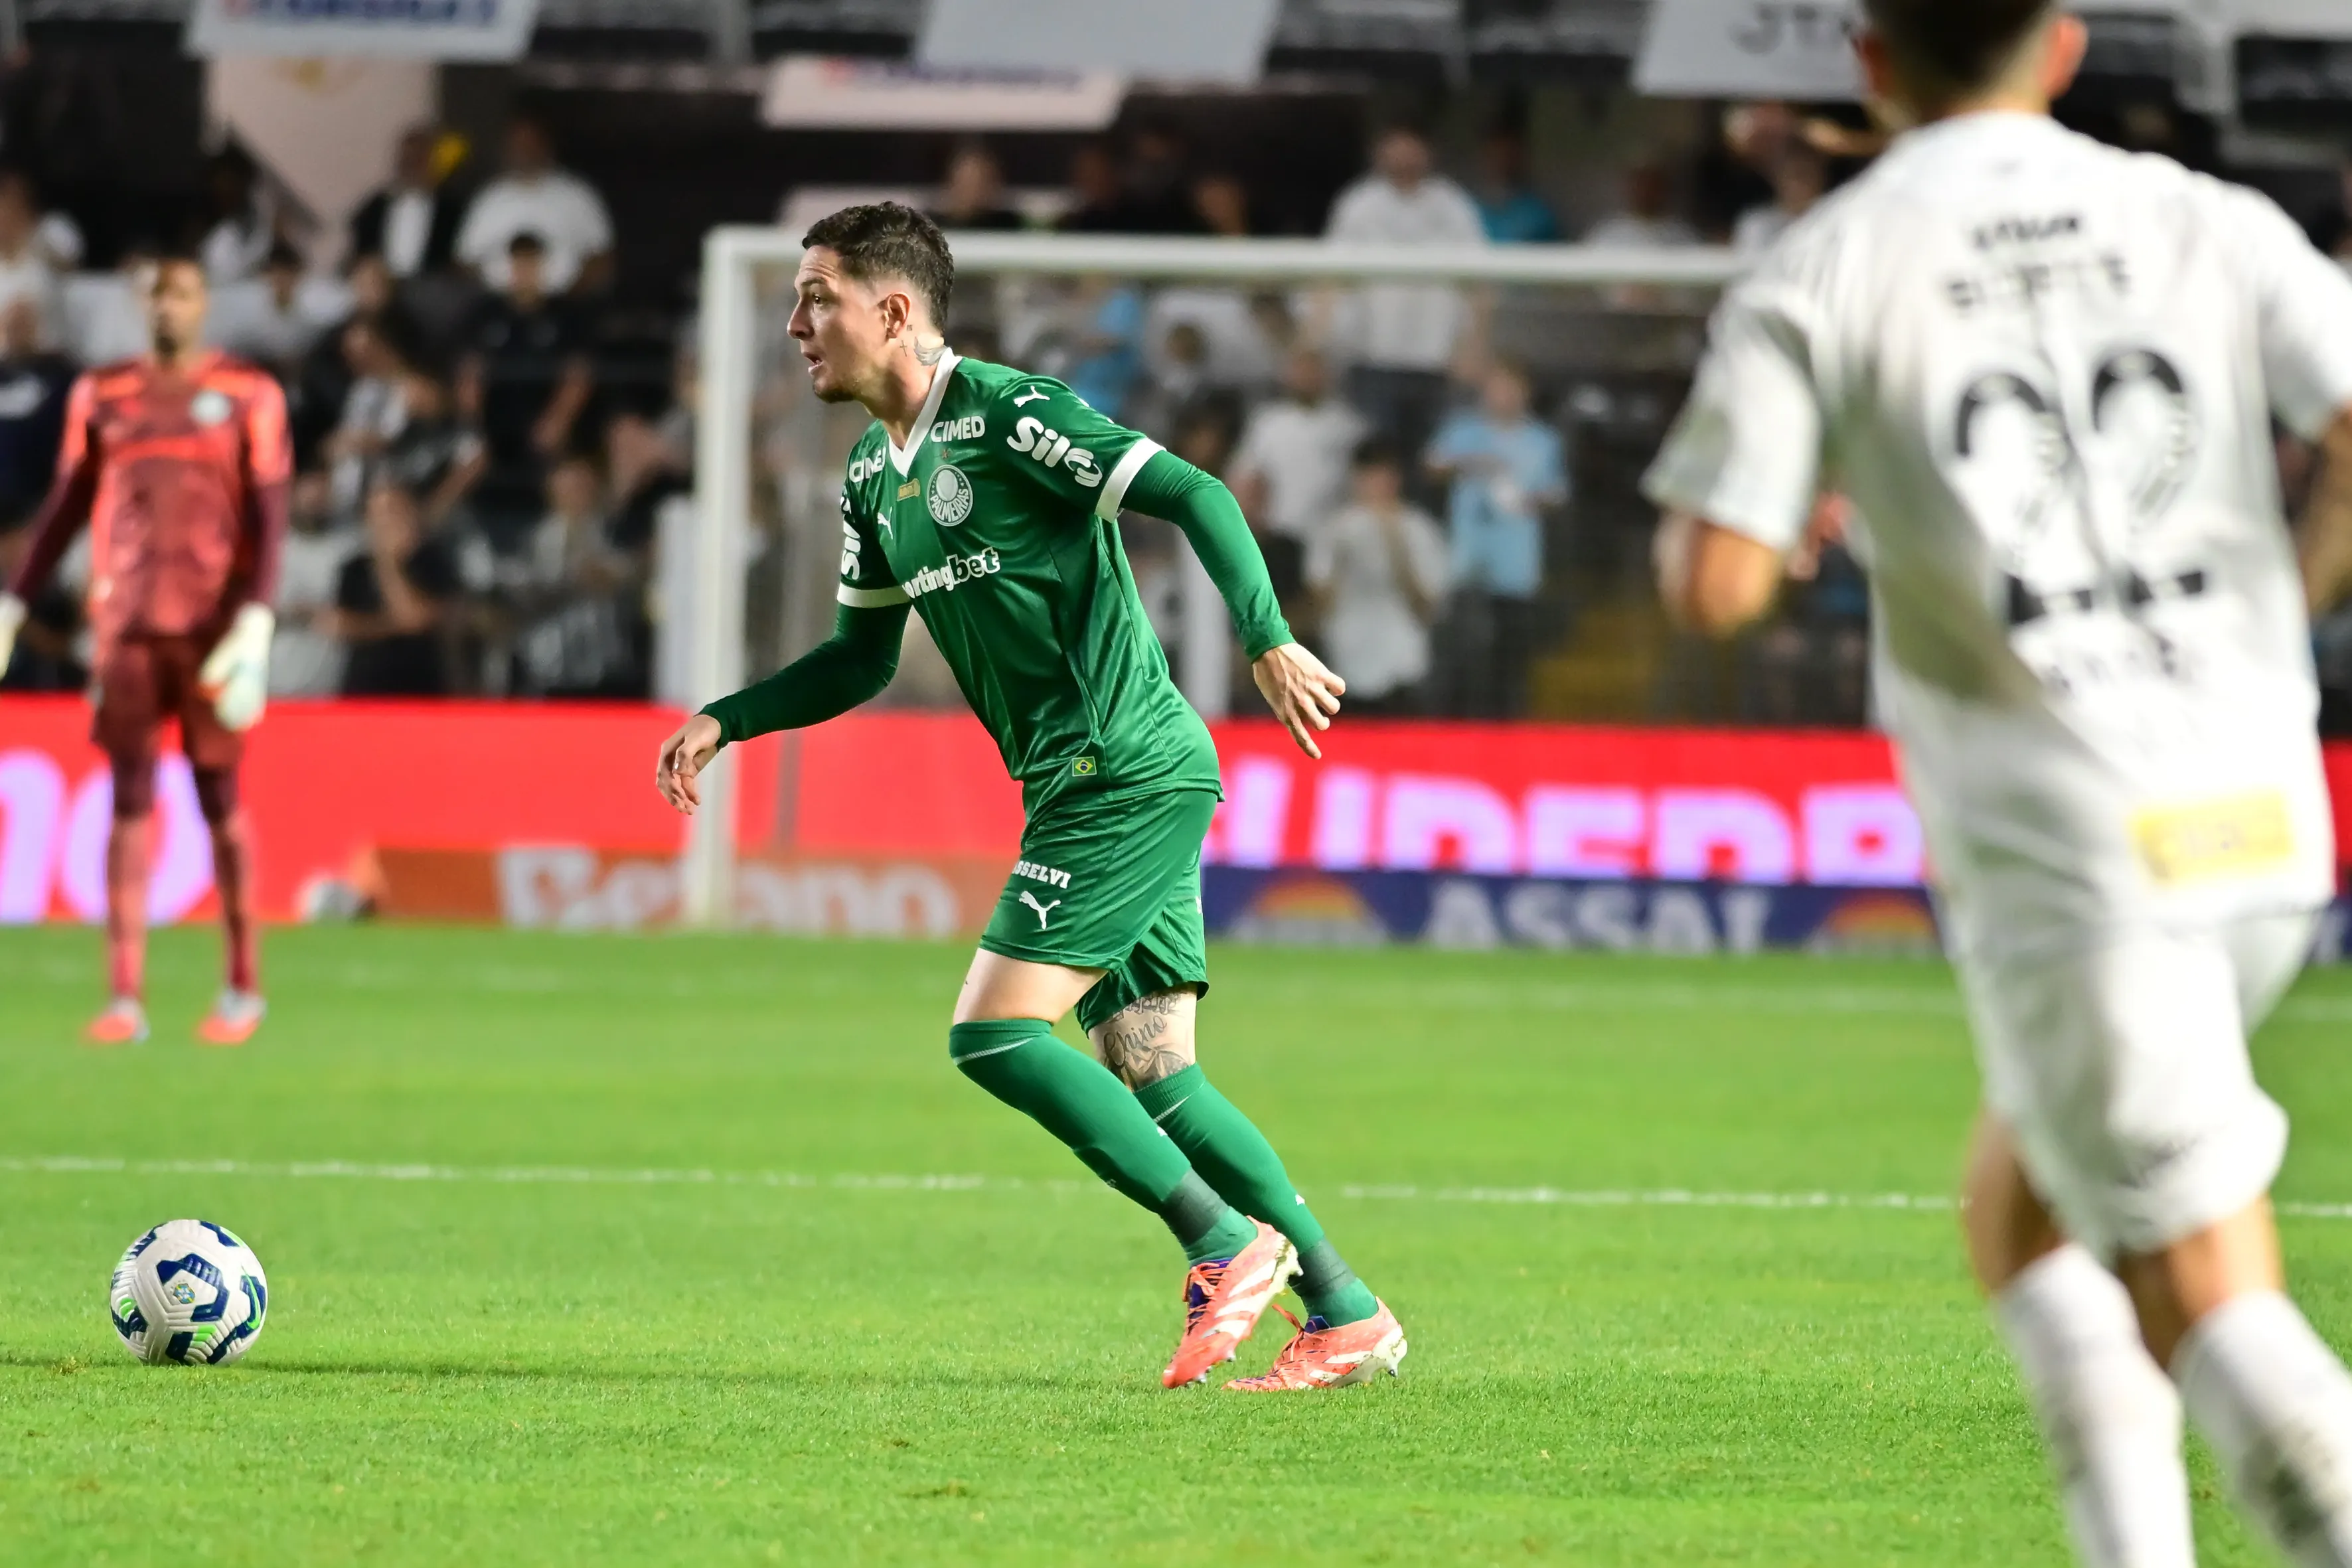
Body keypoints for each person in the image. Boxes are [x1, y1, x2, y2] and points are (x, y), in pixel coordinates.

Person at [1645, 5, 2352, 1565]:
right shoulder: (2203, 219)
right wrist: (2285, 597)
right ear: (2064, 45)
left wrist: (1799, 509)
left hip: (2081, 856)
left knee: (2205, 1295)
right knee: (2021, 1222)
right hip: (2264, 816)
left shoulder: (1828, 267)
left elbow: (1711, 586)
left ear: (1865, 55)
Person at [653, 202, 1405, 1391]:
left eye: (817, 298)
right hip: (1082, 782)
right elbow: (860, 660)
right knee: (1156, 1071)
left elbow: (1196, 493)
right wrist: (726, 718)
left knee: (993, 1033)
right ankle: (1344, 1305)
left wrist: (1264, 638)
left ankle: (1221, 1241)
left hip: (1121, 767)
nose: (795, 323)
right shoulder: (868, 476)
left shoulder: (1008, 414)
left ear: (893, 309)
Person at [0, 250, 290, 1047]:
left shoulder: (247, 395)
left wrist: (258, 620)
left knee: (220, 799)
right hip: (126, 626)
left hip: (211, 632)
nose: (169, 308)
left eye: (183, 294)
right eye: (157, 295)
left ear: (205, 304)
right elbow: (64, 507)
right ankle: (124, 996)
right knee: (129, 799)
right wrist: (13, 604)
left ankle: (242, 985)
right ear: (141, 304)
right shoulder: (103, 395)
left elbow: (272, 511)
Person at [1321, 124, 1486, 458]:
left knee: (1433, 458)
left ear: (1427, 153)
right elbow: (1330, 279)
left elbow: (1480, 279)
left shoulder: (1453, 206)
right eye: (1395, 149)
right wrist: (1320, 343)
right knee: (1379, 456)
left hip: (1436, 360)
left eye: (1411, 148)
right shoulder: (1359, 205)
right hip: (1373, 357)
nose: (1403, 158)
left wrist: (1474, 345)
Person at [1426, 358, 1566, 718]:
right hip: (1467, 564)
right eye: (1496, 387)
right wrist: (1474, 463)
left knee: (1511, 664)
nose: (1502, 395)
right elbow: (1433, 467)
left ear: (1525, 392)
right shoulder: (1464, 431)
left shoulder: (1543, 440)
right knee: (1462, 661)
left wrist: (1529, 500)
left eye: (1510, 387)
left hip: (1517, 569)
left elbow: (1557, 494)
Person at [457, 232, 594, 530]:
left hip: (543, 427)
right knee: (462, 465)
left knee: (570, 479)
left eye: (532, 264)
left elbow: (578, 376)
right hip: (494, 427)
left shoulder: (566, 316)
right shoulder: (487, 314)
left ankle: (568, 558)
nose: (525, 272)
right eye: (519, 264)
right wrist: (471, 425)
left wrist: (556, 422)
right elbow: (470, 376)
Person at [1307, 437, 1449, 714]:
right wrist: (1341, 559)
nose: (1375, 485)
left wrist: (1396, 548)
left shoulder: (1419, 529)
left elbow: (1428, 610)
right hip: (1345, 666)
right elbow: (1320, 605)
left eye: (1383, 476)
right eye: (1368, 476)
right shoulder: (1334, 528)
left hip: (1402, 668)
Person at [1229, 346, 1366, 606]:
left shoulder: (1349, 425)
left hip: (1331, 534)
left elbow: (1361, 480)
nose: (1306, 377)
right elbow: (1247, 476)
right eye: (1299, 370)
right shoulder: (1268, 423)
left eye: (1313, 370)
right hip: (1279, 533)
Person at [454, 115, 615, 297]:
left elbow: (603, 258)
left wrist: (575, 294)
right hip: (498, 305)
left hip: (565, 303)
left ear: (545, 145)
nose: (524, 151)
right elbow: (464, 261)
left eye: (531, 143)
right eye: (518, 144)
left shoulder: (578, 194)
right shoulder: (488, 198)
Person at [331, 478, 459, 696]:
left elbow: (418, 618)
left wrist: (388, 562)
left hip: (422, 689)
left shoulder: (435, 562)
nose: (386, 521)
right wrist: (396, 624)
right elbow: (341, 625)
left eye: (393, 511)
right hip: (364, 689)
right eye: (378, 513)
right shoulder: (354, 568)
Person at [347, 125, 463, 281]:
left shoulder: (450, 209)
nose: (411, 167)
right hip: (382, 287)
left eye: (418, 160)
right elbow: (361, 251)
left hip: (433, 287)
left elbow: (457, 258)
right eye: (407, 160)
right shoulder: (376, 206)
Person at [1731, 144, 1830, 257]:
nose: (1801, 185)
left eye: (1809, 175)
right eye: (1795, 176)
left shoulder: (1834, 220)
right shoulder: (1757, 224)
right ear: (1778, 180)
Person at [1472, 124, 1561, 244]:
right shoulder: (1469, 209)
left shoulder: (1536, 216)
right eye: (1493, 154)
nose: (1499, 161)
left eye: (1506, 154)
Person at [1582, 160, 1699, 249]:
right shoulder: (1609, 232)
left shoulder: (1680, 234)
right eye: (1641, 185)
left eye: (1653, 186)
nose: (1646, 192)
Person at [930, 141, 1024, 232]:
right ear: (952, 182)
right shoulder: (934, 226)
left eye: (982, 181)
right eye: (968, 181)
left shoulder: (1008, 225)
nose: (974, 189)